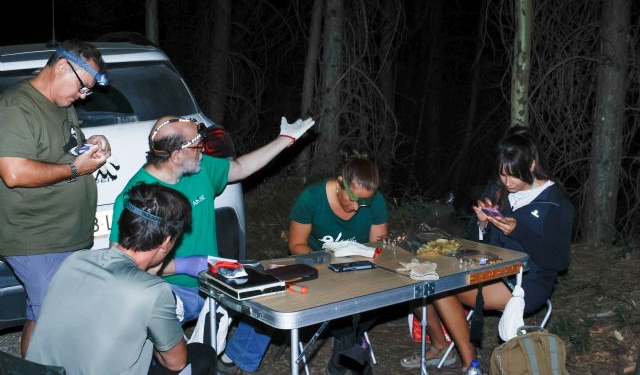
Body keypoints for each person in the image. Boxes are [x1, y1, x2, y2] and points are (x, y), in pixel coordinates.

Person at [109, 115, 314, 322]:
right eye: (199, 146)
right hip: (168, 288)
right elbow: (122, 264)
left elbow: (241, 168)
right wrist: (181, 266)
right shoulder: (136, 198)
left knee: (277, 297)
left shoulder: (199, 168)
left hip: (215, 281)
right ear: (178, 155)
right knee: (153, 325)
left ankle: (238, 356)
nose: (204, 151)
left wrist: (286, 139)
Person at [401, 125, 573, 371]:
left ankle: (469, 361)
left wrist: (518, 231)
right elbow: (477, 243)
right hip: (487, 267)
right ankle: (442, 346)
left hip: (528, 280)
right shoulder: (498, 189)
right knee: (421, 277)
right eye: (503, 175)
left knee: (439, 286)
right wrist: (482, 225)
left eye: (514, 175)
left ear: (532, 165)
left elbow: (558, 261)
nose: (507, 182)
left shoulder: (555, 203)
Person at [219, 155, 388, 375]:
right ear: (339, 183)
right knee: (276, 292)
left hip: (358, 272)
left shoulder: (375, 202)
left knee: (374, 299)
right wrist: (328, 263)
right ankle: (240, 354)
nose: (357, 206)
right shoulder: (311, 198)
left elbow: (377, 247)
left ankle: (343, 353)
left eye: (364, 202)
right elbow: (296, 244)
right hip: (317, 266)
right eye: (353, 198)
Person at [26, 182, 217, 375]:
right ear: (166, 242)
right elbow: (175, 362)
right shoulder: (153, 292)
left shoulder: (75, 260)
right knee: (202, 355)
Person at [0, 39, 111, 356]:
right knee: (57, 317)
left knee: (41, 313)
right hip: (35, 236)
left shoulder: (63, 105)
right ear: (62, 67)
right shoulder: (15, 107)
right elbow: (14, 172)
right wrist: (76, 171)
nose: (83, 96)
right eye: (82, 87)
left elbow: (60, 152)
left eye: (87, 91)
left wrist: (93, 142)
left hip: (64, 234)